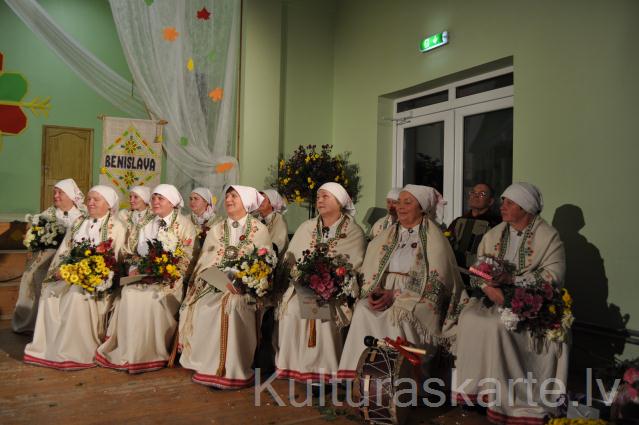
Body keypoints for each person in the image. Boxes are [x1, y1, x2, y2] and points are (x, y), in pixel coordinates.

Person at [453, 182, 567, 424]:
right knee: (469, 318)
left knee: (497, 326)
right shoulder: (494, 234)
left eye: (509, 203)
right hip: (494, 298)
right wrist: (488, 287)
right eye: (503, 201)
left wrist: (513, 280)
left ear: (526, 208)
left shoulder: (548, 236)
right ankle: (476, 394)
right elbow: (476, 269)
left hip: (531, 303)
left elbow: (553, 276)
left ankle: (504, 398)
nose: (502, 206)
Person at [338, 184, 467, 379]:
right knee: (364, 309)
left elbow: (437, 279)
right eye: (399, 202)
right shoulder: (387, 234)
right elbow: (373, 266)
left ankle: (402, 380)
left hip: (416, 295)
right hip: (385, 290)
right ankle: (361, 377)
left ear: (422, 208)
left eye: (408, 202)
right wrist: (377, 289)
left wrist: (397, 295)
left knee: (398, 315)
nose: (400, 206)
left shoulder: (435, 238)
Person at [178, 185, 272, 389]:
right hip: (214, 285)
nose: (228, 200)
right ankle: (208, 366)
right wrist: (216, 276)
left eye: (234, 196)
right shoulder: (217, 228)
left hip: (244, 289)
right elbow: (206, 259)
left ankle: (232, 369)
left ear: (245, 201)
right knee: (202, 305)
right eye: (227, 196)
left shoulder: (259, 229)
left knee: (232, 304)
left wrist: (242, 279)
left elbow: (263, 265)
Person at [95, 184, 196, 373]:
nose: (155, 201)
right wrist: (135, 269)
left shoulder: (185, 225)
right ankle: (129, 350)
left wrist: (166, 272)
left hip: (171, 280)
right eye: (154, 198)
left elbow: (188, 258)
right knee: (129, 292)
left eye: (160, 198)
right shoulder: (149, 223)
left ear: (172, 203)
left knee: (149, 298)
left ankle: (149, 352)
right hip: (146, 276)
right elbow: (136, 254)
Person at [24, 185, 125, 370]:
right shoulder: (79, 222)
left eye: (96, 199)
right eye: (89, 199)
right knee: (48, 290)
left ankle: (73, 351)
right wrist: (60, 270)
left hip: (98, 281)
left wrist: (88, 274)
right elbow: (64, 251)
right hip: (71, 273)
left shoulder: (116, 227)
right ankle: (49, 347)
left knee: (75, 296)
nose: (91, 202)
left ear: (109, 205)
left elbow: (114, 261)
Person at [276, 182, 366, 384]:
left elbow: (354, 266)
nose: (320, 200)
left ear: (340, 202)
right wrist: (303, 279)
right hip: (303, 288)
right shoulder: (306, 227)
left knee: (321, 313)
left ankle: (322, 373)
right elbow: (292, 260)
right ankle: (293, 367)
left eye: (326, 196)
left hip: (336, 292)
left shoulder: (354, 232)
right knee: (291, 309)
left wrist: (331, 282)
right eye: (318, 197)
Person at [12, 178, 86, 334]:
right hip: (48, 257)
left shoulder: (83, 215)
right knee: (33, 276)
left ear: (71, 196)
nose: (56, 196)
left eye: (60, 193)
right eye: (55, 192)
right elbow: (35, 237)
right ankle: (31, 323)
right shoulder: (47, 214)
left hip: (73, 259)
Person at [447, 183, 501, 266]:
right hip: (457, 269)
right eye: (473, 193)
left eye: (482, 194)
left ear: (490, 201)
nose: (476, 196)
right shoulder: (458, 221)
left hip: (482, 271)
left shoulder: (496, 223)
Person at [257, 189, 289, 256]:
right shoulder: (255, 218)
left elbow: (279, 244)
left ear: (272, 202)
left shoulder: (279, 219)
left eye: (263, 199)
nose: (259, 202)